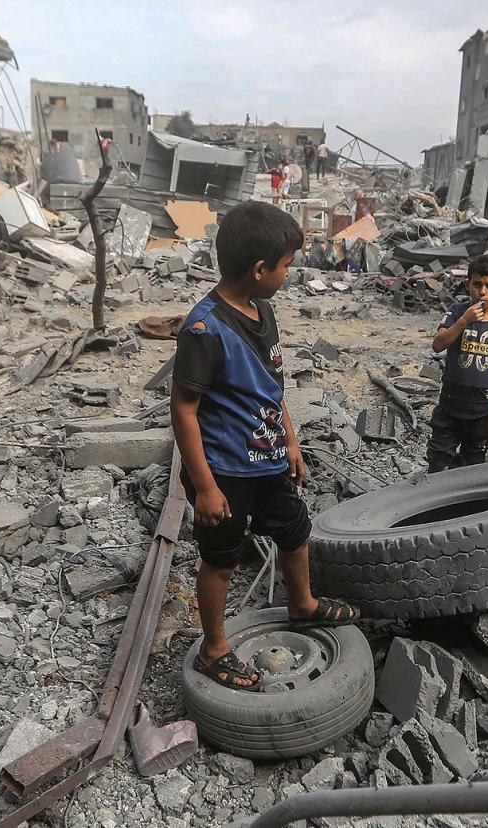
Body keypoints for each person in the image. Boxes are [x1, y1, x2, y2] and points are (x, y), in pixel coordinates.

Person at [171, 201, 361, 690]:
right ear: (259, 269)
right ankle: (214, 647)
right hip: (225, 473)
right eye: (287, 266)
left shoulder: (264, 311)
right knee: (220, 560)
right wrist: (206, 487)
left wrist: (291, 441)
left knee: (295, 530)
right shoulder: (203, 328)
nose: (288, 274)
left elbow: (270, 389)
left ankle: (302, 604)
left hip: (268, 461)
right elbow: (184, 410)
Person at [427, 254, 488, 473]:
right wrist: (464, 321)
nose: (483, 292)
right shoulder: (456, 313)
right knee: (438, 458)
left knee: (471, 464)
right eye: (477, 285)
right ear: (467, 284)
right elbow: (438, 345)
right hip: (451, 403)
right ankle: (432, 501)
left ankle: (459, 505)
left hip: (483, 408)